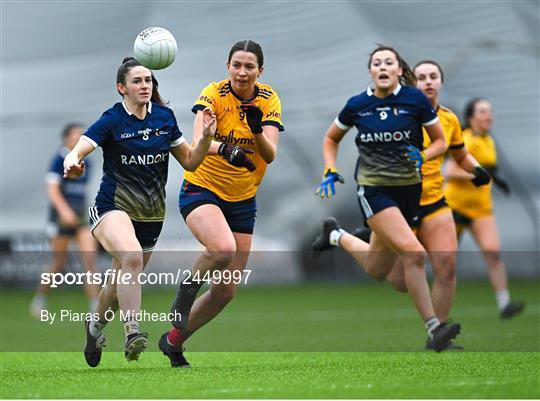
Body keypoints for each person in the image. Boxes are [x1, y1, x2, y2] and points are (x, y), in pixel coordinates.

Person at [63, 57, 216, 368]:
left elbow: (189, 161)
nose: (145, 85)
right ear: (122, 88)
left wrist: (206, 140)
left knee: (116, 288)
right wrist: (72, 160)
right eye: (137, 81)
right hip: (112, 208)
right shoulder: (112, 120)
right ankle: (133, 333)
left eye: (148, 80)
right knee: (131, 256)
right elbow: (79, 148)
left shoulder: (164, 117)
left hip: (151, 216)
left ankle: (94, 328)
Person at [312, 45, 461, 352]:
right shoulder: (357, 105)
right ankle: (435, 329)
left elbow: (440, 143)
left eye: (388, 62)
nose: (382, 67)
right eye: (377, 63)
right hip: (374, 191)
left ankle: (336, 236)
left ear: (397, 71)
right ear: (370, 71)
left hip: (408, 192)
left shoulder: (414, 100)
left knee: (378, 270)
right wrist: (330, 168)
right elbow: (331, 138)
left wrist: (422, 155)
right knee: (414, 254)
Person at [159, 39, 284, 368]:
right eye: (236, 65)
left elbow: (269, 154)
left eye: (249, 67)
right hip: (202, 189)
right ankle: (187, 289)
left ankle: (173, 341)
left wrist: (257, 130)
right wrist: (225, 148)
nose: (242, 72)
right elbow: (198, 142)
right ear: (228, 66)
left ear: (260, 70)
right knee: (222, 248)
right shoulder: (214, 94)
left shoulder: (270, 100)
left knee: (226, 292)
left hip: (243, 199)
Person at [377, 61, 492, 350]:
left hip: (434, 204)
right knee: (398, 280)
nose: (428, 81)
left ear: (440, 82)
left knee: (447, 265)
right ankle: (348, 236)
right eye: (423, 77)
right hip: (401, 204)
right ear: (413, 83)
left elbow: (461, 155)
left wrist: (477, 170)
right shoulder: (400, 115)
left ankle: (437, 336)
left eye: (433, 77)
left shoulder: (450, 119)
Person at [444, 98, 524, 319]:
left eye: (490, 111)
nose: (488, 115)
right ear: (471, 117)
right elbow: (449, 172)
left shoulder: (489, 141)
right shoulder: (466, 139)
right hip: (455, 207)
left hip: (481, 208)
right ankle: (439, 313)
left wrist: (496, 181)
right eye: (482, 111)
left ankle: (504, 303)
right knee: (445, 260)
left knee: (493, 252)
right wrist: (479, 175)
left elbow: (488, 170)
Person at [29, 123, 100, 319]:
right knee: (59, 262)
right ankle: (40, 298)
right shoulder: (58, 160)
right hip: (61, 218)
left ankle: (95, 306)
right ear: (66, 138)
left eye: (82, 135)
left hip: (80, 217)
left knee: (89, 259)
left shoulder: (88, 161)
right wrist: (64, 211)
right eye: (76, 135)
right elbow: (52, 189)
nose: (80, 138)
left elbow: (83, 192)